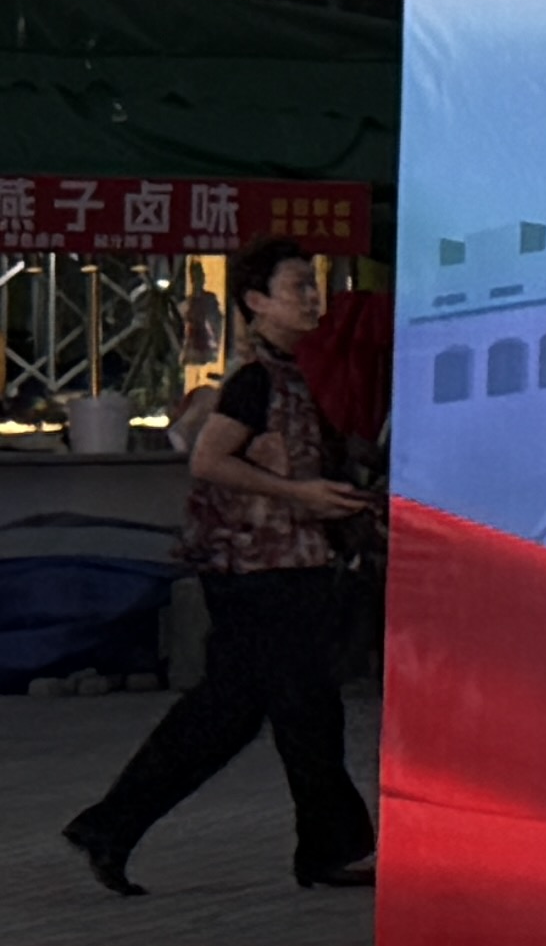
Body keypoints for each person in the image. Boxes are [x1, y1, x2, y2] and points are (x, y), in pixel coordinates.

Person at [64, 237, 377, 895]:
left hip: (282, 564)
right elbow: (209, 460)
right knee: (289, 706)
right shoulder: (254, 380)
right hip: (260, 570)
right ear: (257, 301)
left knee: (245, 710)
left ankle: (112, 826)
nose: (312, 298)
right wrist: (301, 495)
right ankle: (329, 849)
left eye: (313, 284)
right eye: (298, 287)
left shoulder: (287, 376)